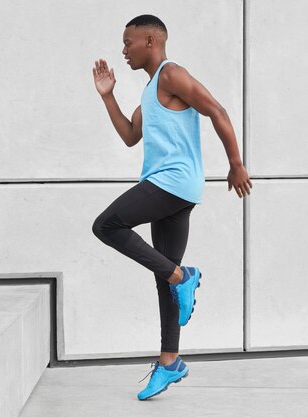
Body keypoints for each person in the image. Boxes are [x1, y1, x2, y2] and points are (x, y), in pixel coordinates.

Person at [91, 14, 251, 400]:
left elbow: (218, 111)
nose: (123, 50)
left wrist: (236, 163)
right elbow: (131, 136)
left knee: (106, 226)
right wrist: (107, 95)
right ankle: (169, 363)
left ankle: (185, 277)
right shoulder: (151, 91)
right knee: (163, 273)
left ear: (150, 40)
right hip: (174, 188)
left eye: (128, 42)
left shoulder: (171, 74)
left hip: (172, 183)